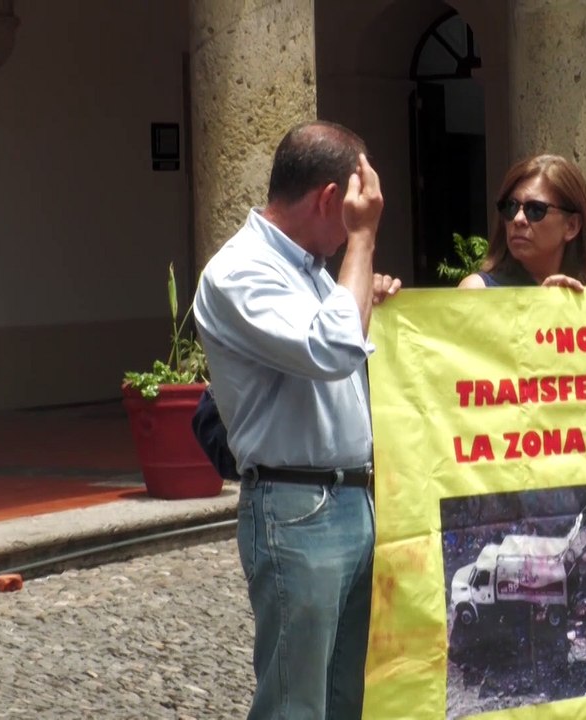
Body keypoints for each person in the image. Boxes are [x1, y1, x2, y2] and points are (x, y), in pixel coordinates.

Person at [193, 120, 401, 720]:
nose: (362, 219)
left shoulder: (310, 269)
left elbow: (339, 350)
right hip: (298, 506)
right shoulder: (240, 270)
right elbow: (332, 350)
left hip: (351, 500)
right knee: (296, 704)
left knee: (348, 699)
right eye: (358, 205)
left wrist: (366, 296)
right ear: (330, 199)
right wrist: (362, 241)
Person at [458, 154, 586, 290]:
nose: (518, 219)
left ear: (572, 226)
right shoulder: (477, 291)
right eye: (511, 207)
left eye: (535, 209)